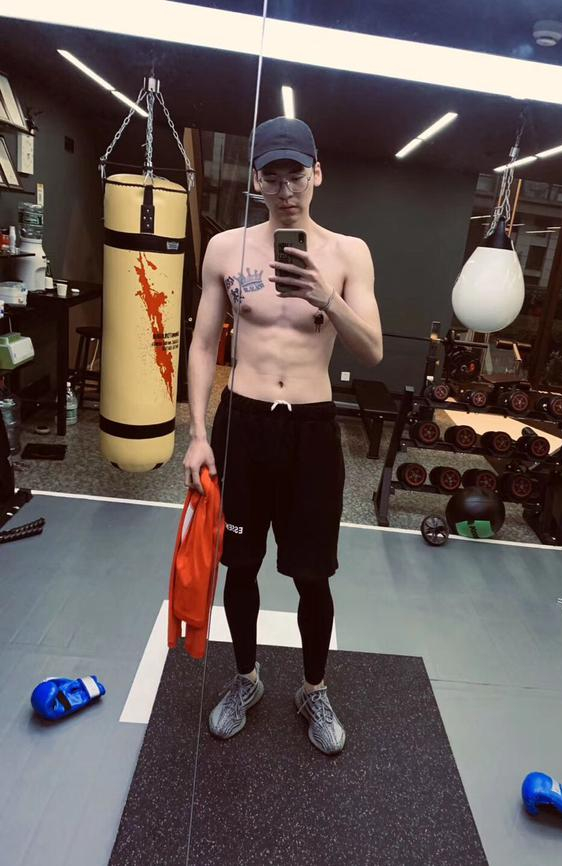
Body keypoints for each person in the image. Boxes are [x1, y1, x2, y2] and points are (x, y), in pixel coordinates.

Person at [183, 116, 382, 755]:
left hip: (311, 431)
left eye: (296, 174)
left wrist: (327, 298)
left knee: (312, 574)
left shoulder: (349, 254)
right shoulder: (226, 249)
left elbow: (373, 351)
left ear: (317, 173)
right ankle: (246, 679)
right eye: (273, 176)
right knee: (239, 565)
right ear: (257, 181)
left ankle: (313, 689)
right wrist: (197, 434)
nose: (286, 189)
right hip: (241, 425)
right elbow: (203, 344)